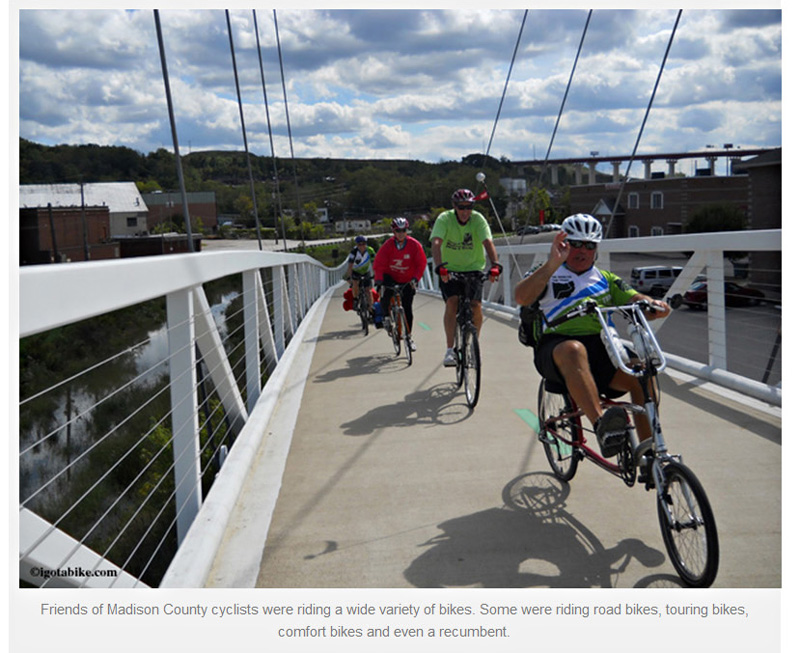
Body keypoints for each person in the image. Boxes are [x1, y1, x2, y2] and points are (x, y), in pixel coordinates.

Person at [513, 213, 670, 457]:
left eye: (589, 245)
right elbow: (522, 297)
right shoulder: (547, 272)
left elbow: (635, 300)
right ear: (563, 243)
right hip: (557, 348)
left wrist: (653, 305)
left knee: (643, 374)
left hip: (603, 349)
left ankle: (651, 454)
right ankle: (604, 427)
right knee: (573, 349)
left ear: (596, 248)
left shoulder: (606, 280)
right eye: (575, 243)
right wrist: (553, 263)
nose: (582, 250)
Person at [431, 188, 502, 367]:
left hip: (473, 268)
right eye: (461, 207)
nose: (465, 211)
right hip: (450, 269)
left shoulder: (478, 219)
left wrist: (495, 265)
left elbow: (488, 242)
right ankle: (449, 350)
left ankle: (473, 344)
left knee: (476, 305)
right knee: (452, 302)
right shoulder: (444, 219)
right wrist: (440, 267)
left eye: (469, 207)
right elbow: (437, 242)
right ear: (454, 207)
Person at [373, 217, 428, 351]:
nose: (401, 233)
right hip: (390, 276)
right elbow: (379, 263)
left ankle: (408, 337)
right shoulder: (388, 245)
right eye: (398, 231)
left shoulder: (414, 245)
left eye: (404, 230)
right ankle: (386, 317)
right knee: (386, 295)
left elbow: (421, 263)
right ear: (394, 231)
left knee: (407, 308)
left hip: (407, 279)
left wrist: (416, 278)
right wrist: (379, 279)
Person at [345, 236, 376, 312]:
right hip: (356, 271)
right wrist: (349, 277)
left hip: (366, 271)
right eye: (360, 244)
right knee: (355, 284)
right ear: (357, 245)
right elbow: (350, 266)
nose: (362, 246)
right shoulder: (354, 252)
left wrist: (375, 274)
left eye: (364, 244)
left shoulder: (370, 250)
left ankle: (370, 307)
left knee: (368, 290)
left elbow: (374, 263)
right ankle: (355, 299)